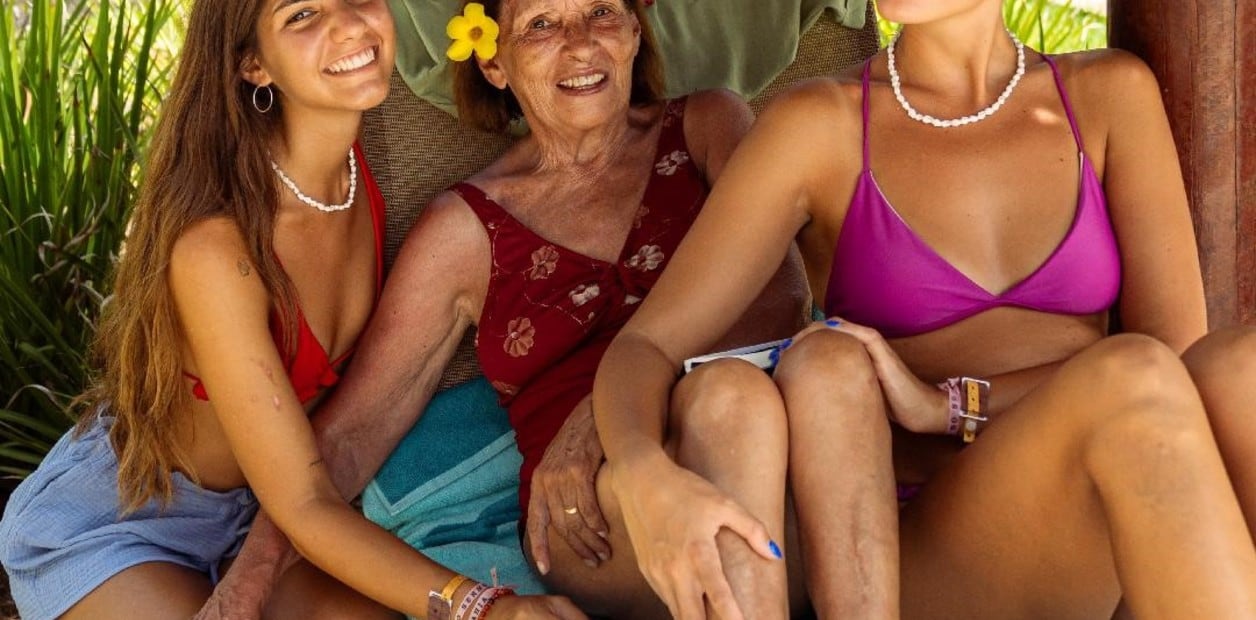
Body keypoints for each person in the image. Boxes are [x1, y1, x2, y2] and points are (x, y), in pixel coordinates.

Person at [592, 0, 1256, 618]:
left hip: (1114, 483)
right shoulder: (818, 127)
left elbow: (1178, 360)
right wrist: (643, 476)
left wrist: (952, 404)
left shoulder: (1109, 94)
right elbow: (646, 346)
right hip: (931, 545)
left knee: (1238, 367)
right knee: (1130, 376)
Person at [198, 0, 832, 617]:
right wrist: (247, 583)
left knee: (744, 408)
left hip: (760, 450)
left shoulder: (709, 126)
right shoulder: (465, 228)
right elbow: (353, 433)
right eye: (542, 25)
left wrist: (606, 412)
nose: (581, 44)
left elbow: (778, 296)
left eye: (601, 13)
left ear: (636, 31)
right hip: (599, 520)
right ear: (495, 64)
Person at [0, 1, 584, 618]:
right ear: (255, 64)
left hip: (262, 514)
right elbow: (305, 501)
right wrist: (483, 608)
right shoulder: (219, 252)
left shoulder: (366, 163)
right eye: (301, 15)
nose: (349, 25)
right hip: (131, 516)